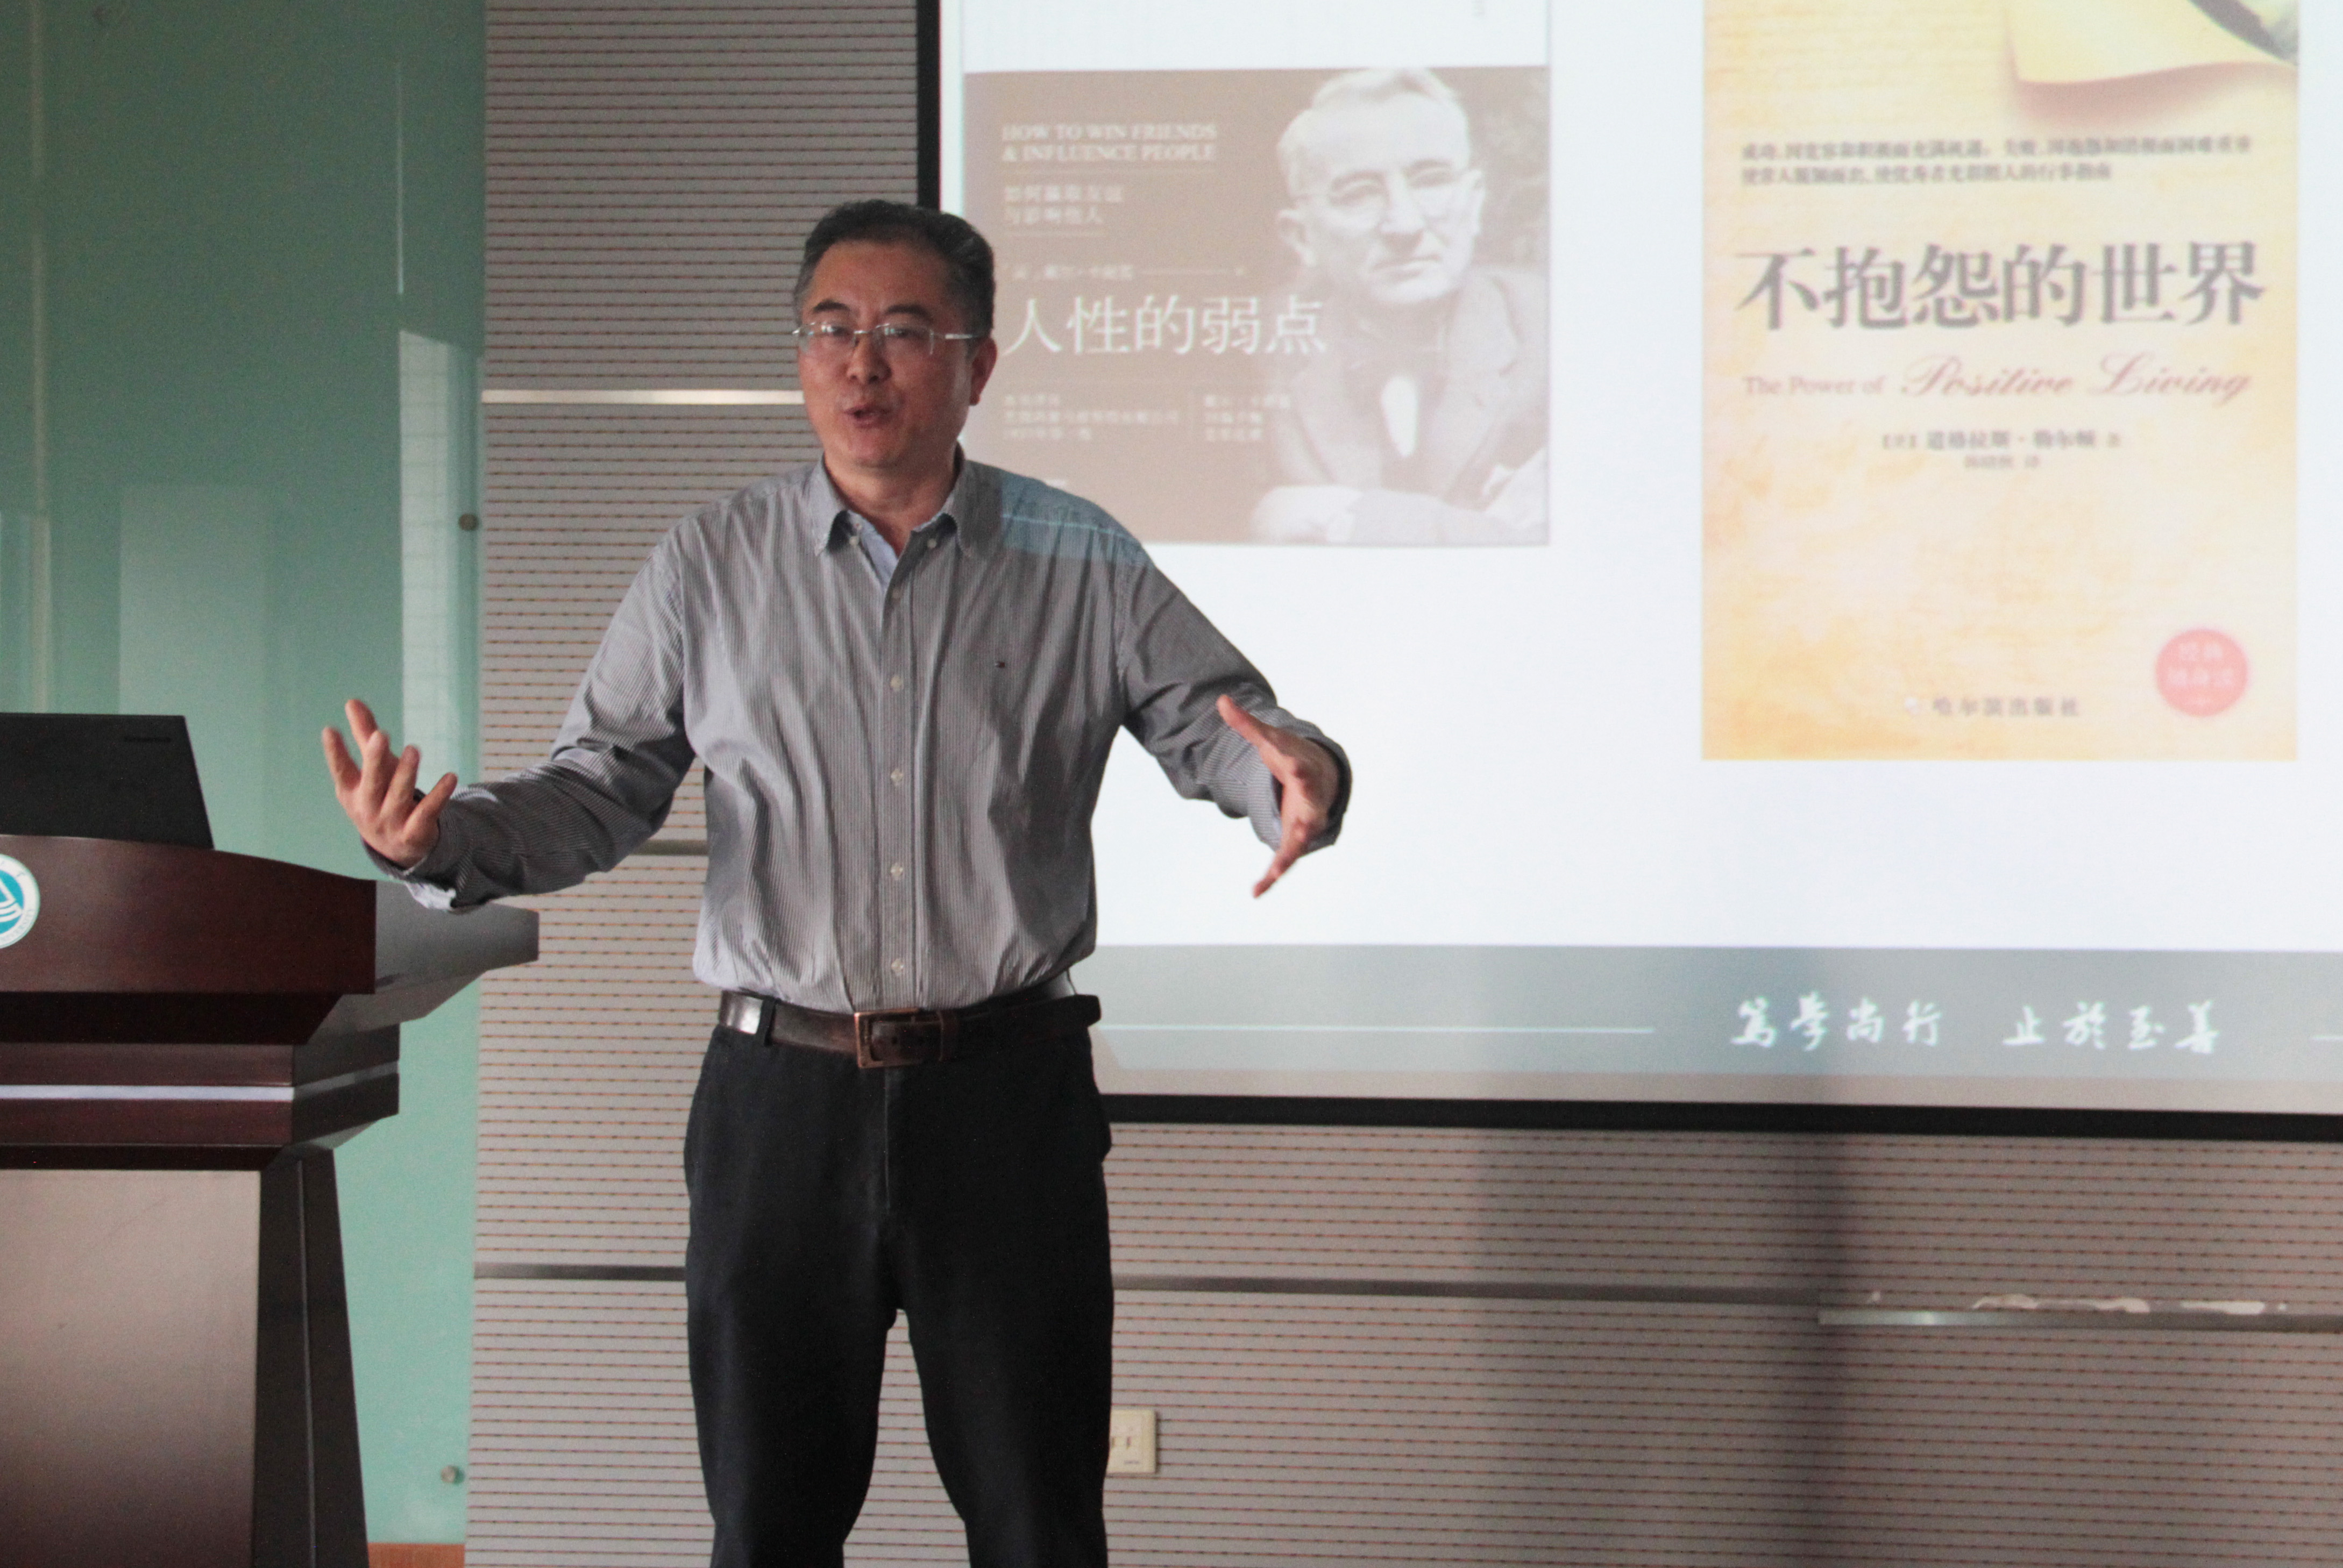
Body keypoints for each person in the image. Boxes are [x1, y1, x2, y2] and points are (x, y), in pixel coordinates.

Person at [322, 201, 1348, 1568]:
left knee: (1040, 1523)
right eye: (831, 328)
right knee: (768, 1528)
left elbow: (1218, 723)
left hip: (1007, 1103)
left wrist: (1296, 777)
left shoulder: (1080, 556)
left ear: (978, 366)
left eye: (906, 331)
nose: (862, 363)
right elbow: (599, 788)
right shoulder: (711, 564)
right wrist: (435, 843)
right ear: (800, 356)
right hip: (781, 1106)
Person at [1251, 67, 1548, 546]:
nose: (1404, 224)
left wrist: (1348, 517)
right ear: (1302, 237)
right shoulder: (1253, 344)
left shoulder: (1557, 332)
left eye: (1431, 182)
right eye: (1359, 194)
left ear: (1474, 203)